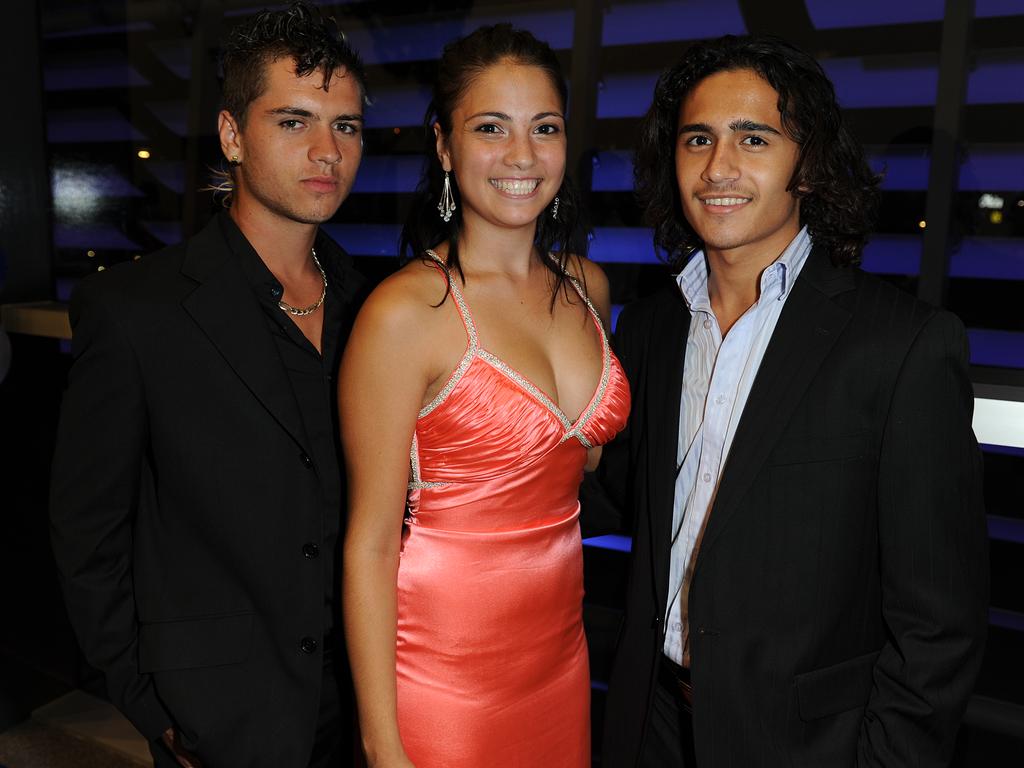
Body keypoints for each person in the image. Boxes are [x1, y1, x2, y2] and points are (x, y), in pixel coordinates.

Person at [589, 34, 989, 767]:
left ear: (808, 163)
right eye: (697, 139)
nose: (718, 168)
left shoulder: (900, 346)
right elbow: (620, 497)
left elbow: (940, 625)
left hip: (805, 746)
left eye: (754, 138)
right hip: (647, 726)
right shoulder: (648, 329)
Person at [49, 4, 367, 766]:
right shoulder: (134, 312)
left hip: (363, 694)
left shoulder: (376, 304)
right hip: (217, 713)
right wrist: (145, 698)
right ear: (232, 134)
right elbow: (87, 529)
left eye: (347, 126)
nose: (327, 151)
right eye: (294, 121)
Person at [339, 24, 630, 768]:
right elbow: (370, 544)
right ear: (444, 145)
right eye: (491, 128)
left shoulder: (588, 286)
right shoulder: (406, 312)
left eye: (545, 128)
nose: (522, 156)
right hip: (443, 678)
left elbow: (576, 460)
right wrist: (384, 747)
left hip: (561, 661)